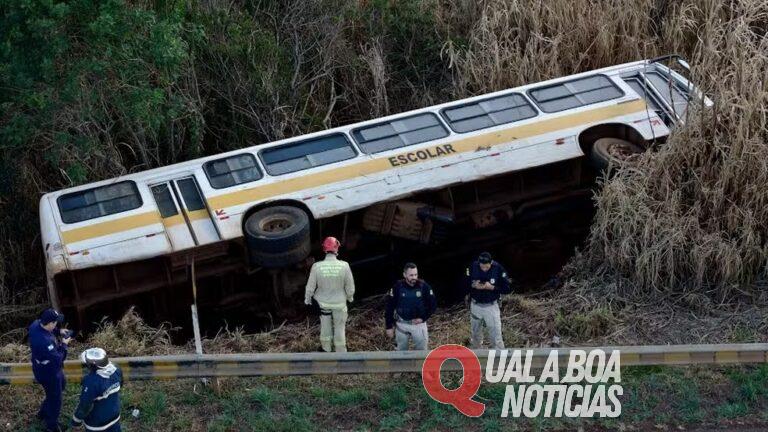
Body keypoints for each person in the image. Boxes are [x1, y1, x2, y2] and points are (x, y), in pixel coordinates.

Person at [304, 236, 356, 352]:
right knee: (340, 328)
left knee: (325, 328)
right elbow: (350, 286)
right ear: (337, 248)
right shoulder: (344, 265)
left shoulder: (317, 266)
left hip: (323, 304)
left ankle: (326, 349)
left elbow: (310, 287)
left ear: (324, 249)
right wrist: (350, 297)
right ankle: (341, 351)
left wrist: (308, 299)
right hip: (340, 303)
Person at [29, 308, 71, 432]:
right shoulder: (44, 342)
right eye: (56, 323)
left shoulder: (36, 324)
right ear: (50, 323)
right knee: (56, 400)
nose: (57, 324)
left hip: (46, 368)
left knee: (61, 386)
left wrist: (59, 331)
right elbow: (59, 359)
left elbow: (49, 329)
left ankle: (42, 413)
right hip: (49, 372)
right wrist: (64, 344)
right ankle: (52, 426)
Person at [465, 252, 512, 349]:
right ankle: (477, 354)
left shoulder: (498, 268)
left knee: (496, 335)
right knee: (475, 334)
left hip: (491, 306)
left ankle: (499, 354)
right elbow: (464, 282)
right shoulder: (473, 266)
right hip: (475, 305)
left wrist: (492, 287)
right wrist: (473, 285)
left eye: (486, 267)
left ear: (491, 262)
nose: (484, 269)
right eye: (482, 266)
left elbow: (507, 288)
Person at [385, 262, 437, 351]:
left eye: (416, 274)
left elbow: (433, 305)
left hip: (418, 324)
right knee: (400, 351)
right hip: (402, 323)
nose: (414, 277)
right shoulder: (397, 287)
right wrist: (389, 326)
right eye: (411, 275)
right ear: (404, 275)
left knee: (421, 351)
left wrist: (423, 318)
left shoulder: (424, 286)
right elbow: (389, 307)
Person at [70, 348, 123, 432]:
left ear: (92, 366)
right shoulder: (116, 370)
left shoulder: (91, 382)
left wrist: (76, 421)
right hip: (114, 417)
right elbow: (120, 384)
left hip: (97, 424)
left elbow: (85, 405)